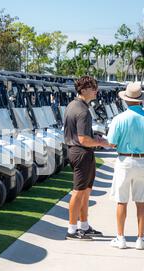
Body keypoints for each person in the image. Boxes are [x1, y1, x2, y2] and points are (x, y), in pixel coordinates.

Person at [108, 82, 144, 250]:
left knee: (121, 201)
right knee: (141, 202)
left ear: (126, 100)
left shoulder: (119, 119)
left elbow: (111, 142)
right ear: (141, 100)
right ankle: (140, 239)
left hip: (124, 161)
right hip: (143, 161)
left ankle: (121, 238)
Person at [64, 76, 110, 241]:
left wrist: (95, 138)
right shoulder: (82, 110)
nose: (96, 91)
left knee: (85, 191)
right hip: (81, 151)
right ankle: (71, 230)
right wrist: (103, 142)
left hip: (80, 151)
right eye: (92, 88)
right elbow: (83, 139)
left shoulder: (73, 105)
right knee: (78, 192)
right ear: (83, 90)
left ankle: (84, 226)